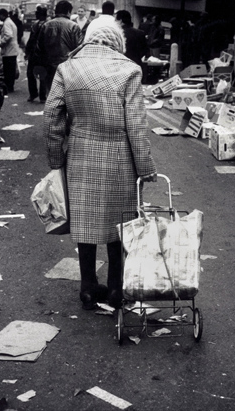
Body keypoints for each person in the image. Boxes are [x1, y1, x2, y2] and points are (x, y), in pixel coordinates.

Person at [42, 18, 157, 310]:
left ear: (89, 37)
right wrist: (145, 168)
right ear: (118, 41)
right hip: (120, 159)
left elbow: (51, 115)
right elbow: (136, 125)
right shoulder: (129, 70)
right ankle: (117, 289)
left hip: (79, 154)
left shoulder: (67, 68)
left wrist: (57, 160)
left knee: (85, 222)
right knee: (120, 224)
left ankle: (88, 288)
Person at [36, 0, 83, 100]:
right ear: (68, 12)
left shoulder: (46, 25)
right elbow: (79, 49)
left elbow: (39, 48)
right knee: (67, 98)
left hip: (49, 67)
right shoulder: (73, 26)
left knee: (52, 98)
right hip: (68, 67)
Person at [24, 5, 47, 102]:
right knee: (31, 74)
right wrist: (27, 52)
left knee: (41, 75)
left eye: (37, 13)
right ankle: (34, 94)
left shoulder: (48, 25)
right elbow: (31, 40)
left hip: (42, 54)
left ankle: (41, 95)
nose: (36, 14)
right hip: (34, 53)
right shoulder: (35, 24)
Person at [115, 9, 148, 75]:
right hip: (136, 65)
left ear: (121, 21)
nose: (114, 22)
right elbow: (145, 50)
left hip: (120, 68)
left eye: (116, 20)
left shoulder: (116, 33)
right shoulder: (140, 33)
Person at [0, 8, 20, 92]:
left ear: (3, 15)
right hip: (11, 50)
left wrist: (1, 43)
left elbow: (8, 35)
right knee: (10, 69)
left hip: (9, 50)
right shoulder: (9, 22)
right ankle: (10, 86)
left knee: (8, 70)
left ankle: (9, 87)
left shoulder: (7, 23)